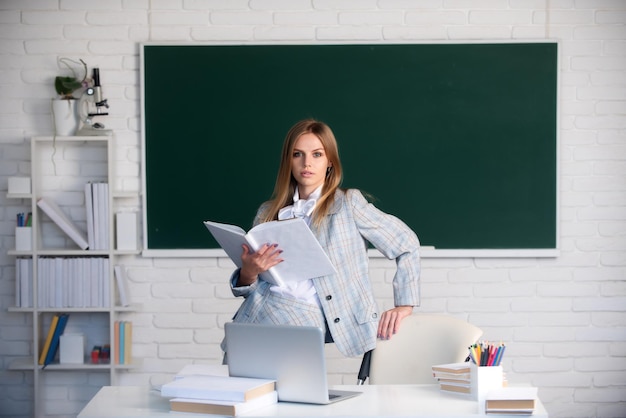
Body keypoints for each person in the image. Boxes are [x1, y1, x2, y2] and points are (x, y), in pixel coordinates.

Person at [226, 119, 420, 358]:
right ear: (288, 160)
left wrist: (405, 304)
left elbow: (407, 244)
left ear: (330, 161)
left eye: (317, 154)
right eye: (298, 154)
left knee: (284, 388)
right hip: (255, 315)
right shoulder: (268, 212)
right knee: (244, 390)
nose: (307, 163)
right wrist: (249, 272)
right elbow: (250, 290)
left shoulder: (349, 204)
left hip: (302, 320)